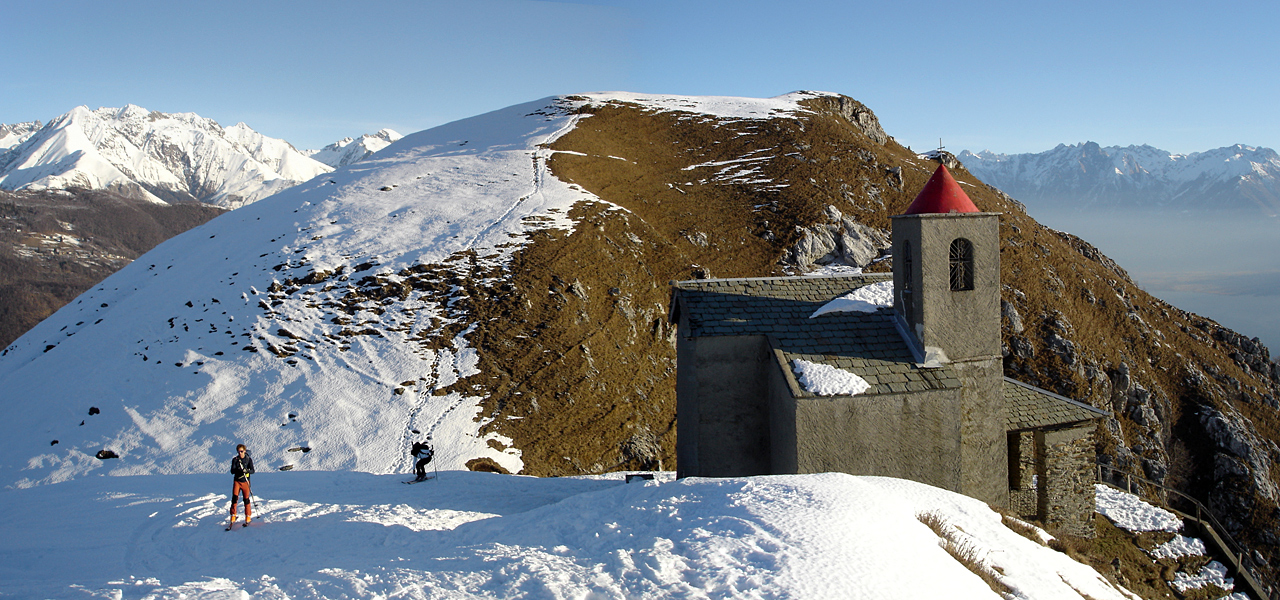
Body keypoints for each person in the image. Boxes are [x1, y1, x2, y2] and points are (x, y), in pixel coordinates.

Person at [229, 444, 255, 524]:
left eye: (241, 451)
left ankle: (248, 516)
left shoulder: (248, 460)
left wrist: (247, 471)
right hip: (237, 481)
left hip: (245, 482)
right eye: (239, 451)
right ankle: (233, 515)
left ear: (244, 451)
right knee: (234, 498)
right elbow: (232, 471)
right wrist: (239, 470)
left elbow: (253, 471)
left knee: (246, 499)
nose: (240, 453)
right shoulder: (235, 460)